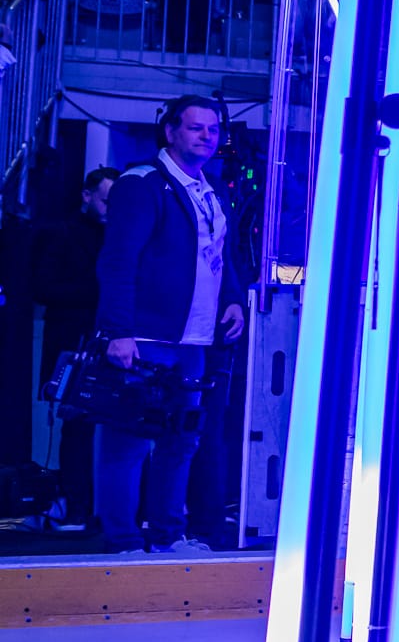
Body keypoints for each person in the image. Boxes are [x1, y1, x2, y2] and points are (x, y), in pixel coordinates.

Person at [93, 96, 246, 554]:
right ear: (171, 131)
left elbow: (221, 255)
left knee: (182, 440)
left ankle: (167, 536)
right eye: (196, 128)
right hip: (145, 336)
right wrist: (118, 330)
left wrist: (233, 300)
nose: (207, 136)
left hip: (193, 339)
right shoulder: (142, 183)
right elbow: (118, 260)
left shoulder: (212, 189)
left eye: (213, 129)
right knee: (128, 441)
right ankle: (122, 539)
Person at [30, 168, 120, 532]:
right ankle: (77, 507)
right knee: (78, 425)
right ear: (86, 196)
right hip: (76, 340)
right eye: (106, 201)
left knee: (112, 426)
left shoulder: (119, 235)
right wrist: (100, 294)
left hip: (104, 338)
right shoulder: (61, 234)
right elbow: (43, 288)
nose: (111, 209)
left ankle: (98, 509)